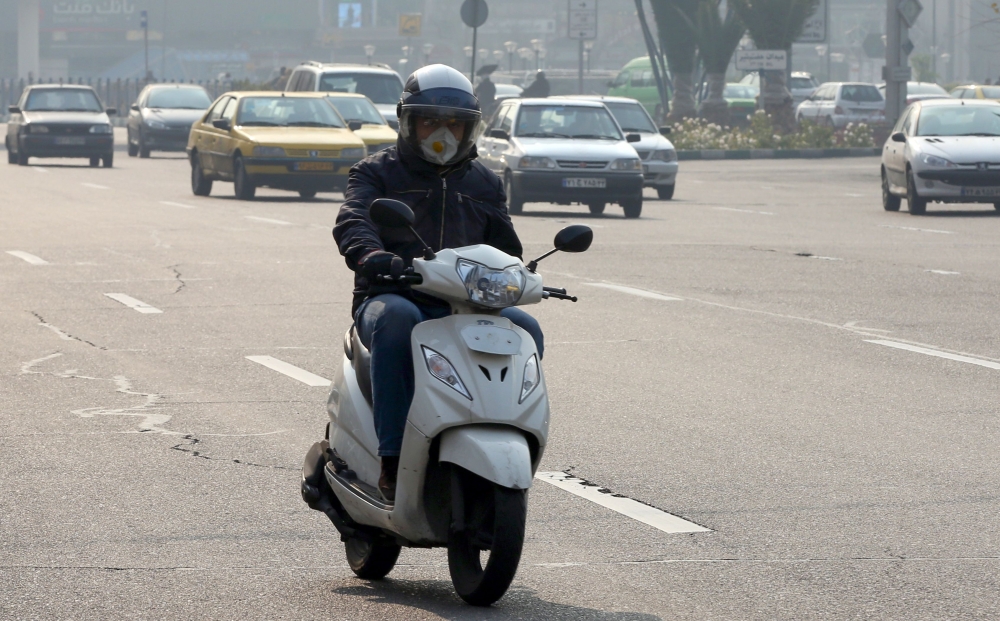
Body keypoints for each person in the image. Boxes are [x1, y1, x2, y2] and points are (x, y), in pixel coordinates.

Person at [333, 64, 544, 502]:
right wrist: (373, 257)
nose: (442, 134)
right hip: (390, 292)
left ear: (470, 130)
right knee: (399, 320)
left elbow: (506, 247)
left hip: (465, 303)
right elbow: (354, 219)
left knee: (527, 328)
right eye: (431, 121)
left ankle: (506, 430)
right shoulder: (376, 172)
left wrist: (519, 277)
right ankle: (391, 457)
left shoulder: (484, 181)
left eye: (455, 124)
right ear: (408, 122)